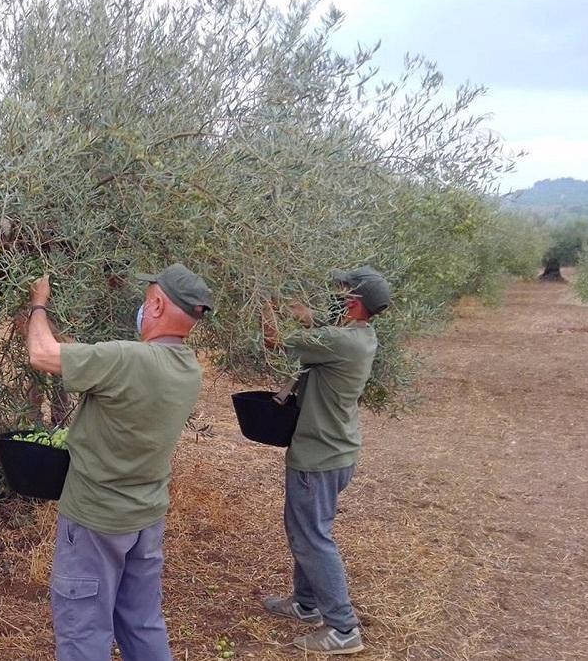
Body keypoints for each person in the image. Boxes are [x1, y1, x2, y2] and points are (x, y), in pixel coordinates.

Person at [24, 263, 213, 661]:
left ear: (158, 305)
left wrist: (38, 304)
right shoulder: (187, 368)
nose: (142, 307)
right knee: (141, 622)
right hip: (145, 517)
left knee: (83, 632)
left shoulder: (128, 359)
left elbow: (42, 354)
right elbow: (90, 363)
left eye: (147, 300)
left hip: (96, 519)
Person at [258, 265, 392, 655]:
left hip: (318, 456)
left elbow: (273, 340)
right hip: (338, 452)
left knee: (311, 537)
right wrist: (301, 310)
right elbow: (322, 327)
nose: (335, 295)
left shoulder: (338, 340)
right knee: (308, 529)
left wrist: (262, 298)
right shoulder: (359, 337)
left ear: (352, 303)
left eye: (342, 291)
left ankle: (343, 628)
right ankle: (305, 604)